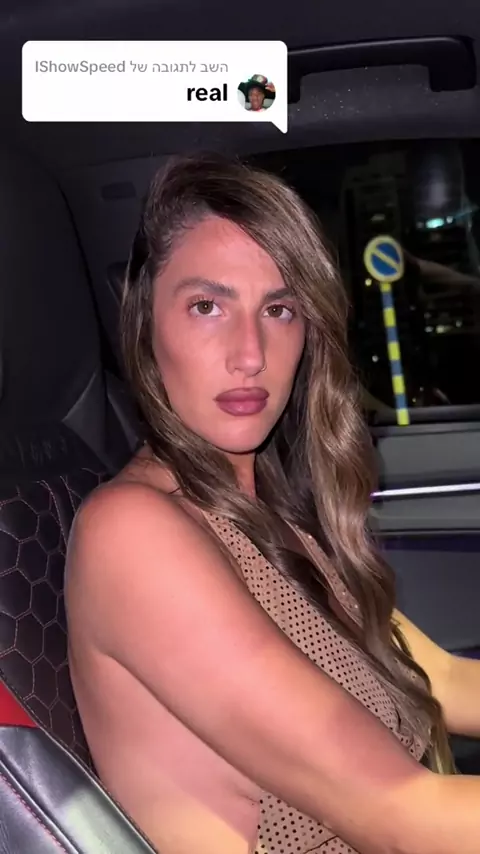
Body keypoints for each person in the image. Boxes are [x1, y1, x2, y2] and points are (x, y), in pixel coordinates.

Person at [65, 153, 480, 854]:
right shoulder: (131, 533)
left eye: (279, 309)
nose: (250, 353)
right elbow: (401, 815)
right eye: (207, 306)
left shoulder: (267, 515)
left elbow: (437, 679)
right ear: (145, 327)